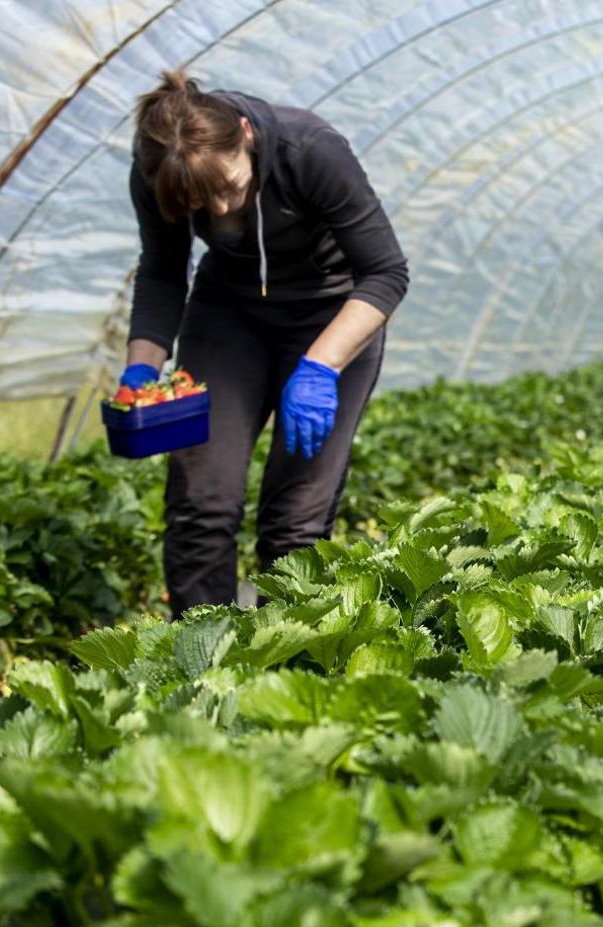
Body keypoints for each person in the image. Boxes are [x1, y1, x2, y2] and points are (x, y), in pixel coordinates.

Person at [123, 71, 408, 616]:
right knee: (200, 504)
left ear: (247, 136)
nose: (223, 211)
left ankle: (289, 660)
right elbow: (162, 272)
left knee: (295, 519)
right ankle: (198, 661)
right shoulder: (156, 170)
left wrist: (320, 368)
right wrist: (141, 370)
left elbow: (385, 272)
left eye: (229, 188)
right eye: (202, 205)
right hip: (228, 315)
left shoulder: (310, 150)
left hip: (331, 316)